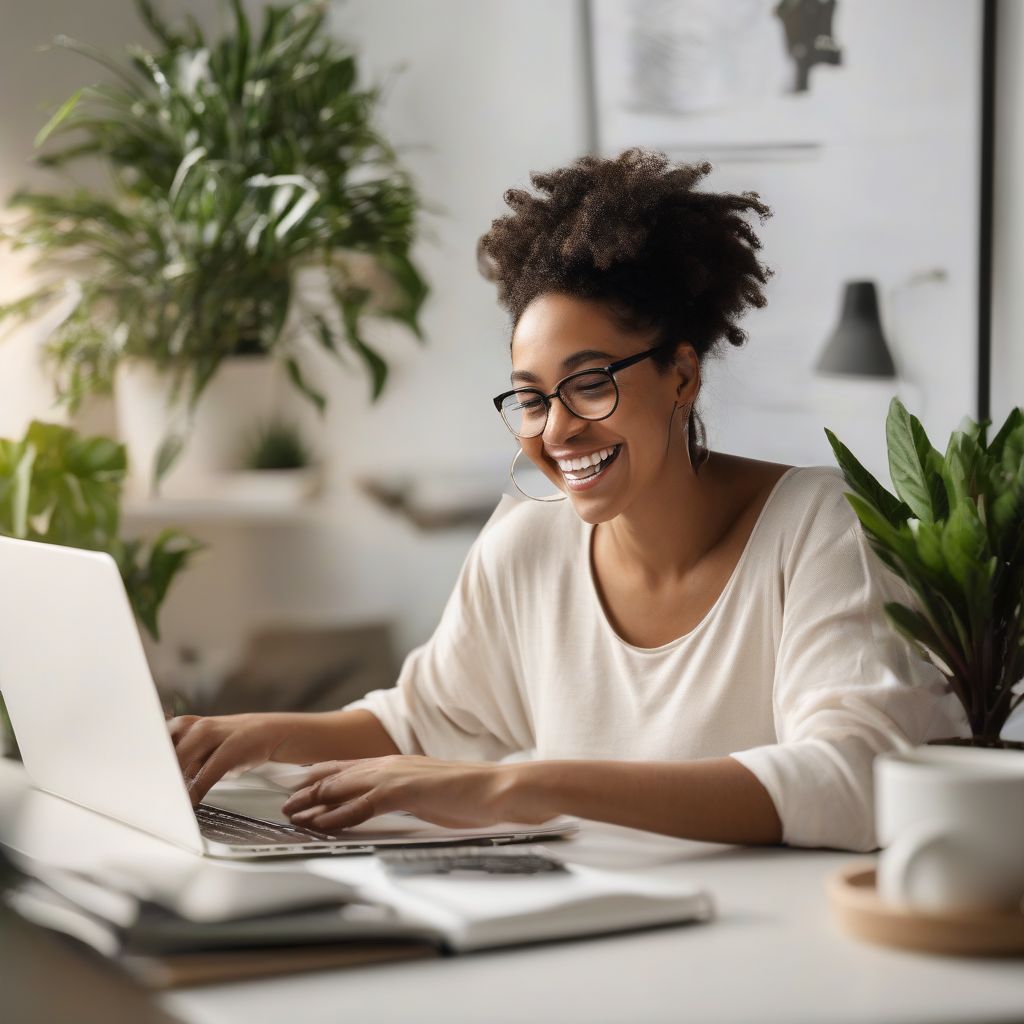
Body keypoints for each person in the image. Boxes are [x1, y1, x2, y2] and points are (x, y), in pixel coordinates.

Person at [169, 149, 968, 852]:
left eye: (590, 384)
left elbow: (856, 779)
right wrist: (248, 736)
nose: (556, 431)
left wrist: (522, 787)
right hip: (588, 941)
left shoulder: (818, 528)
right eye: (531, 398)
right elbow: (421, 724)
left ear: (681, 376)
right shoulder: (529, 541)